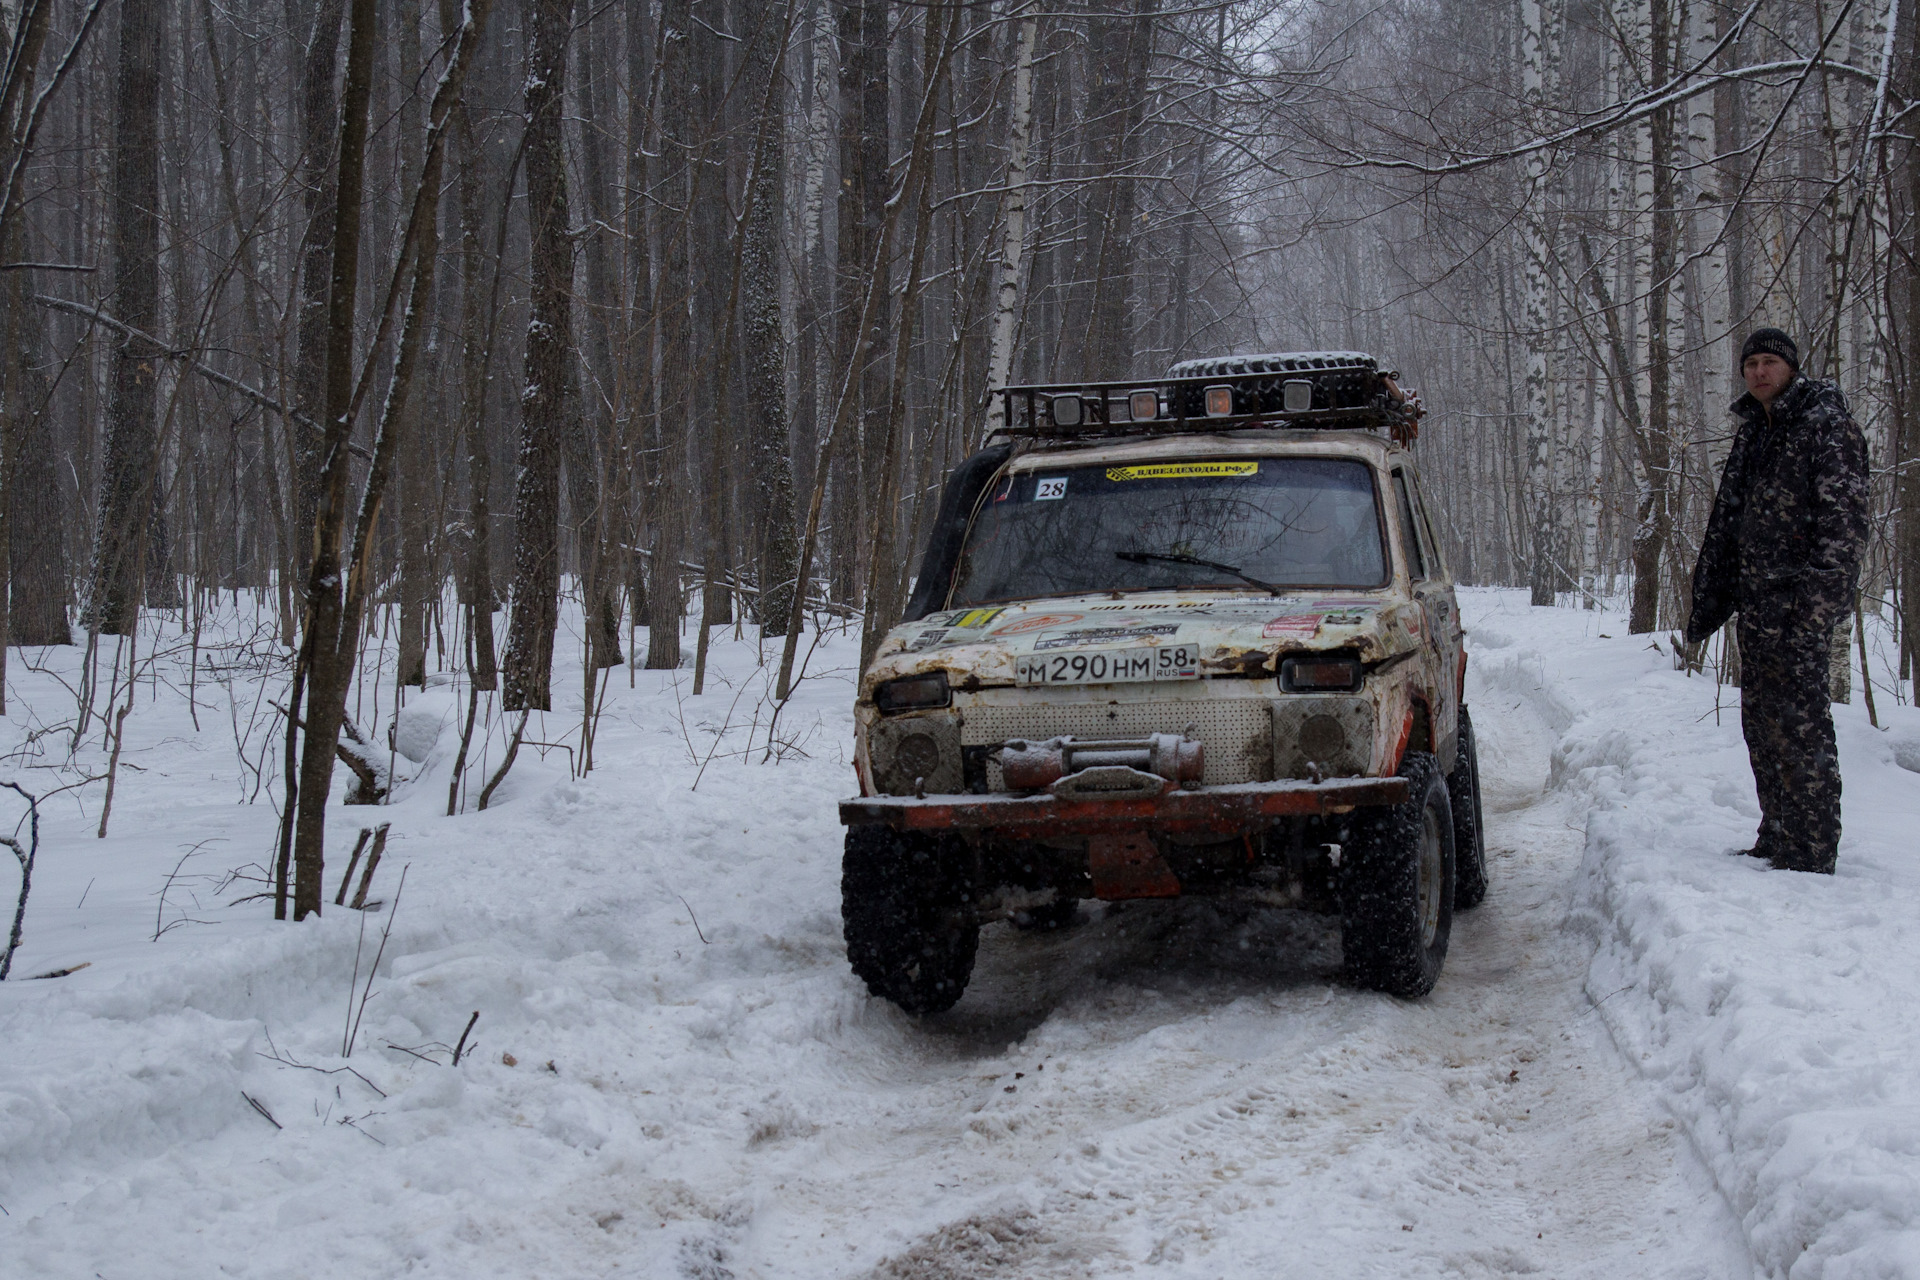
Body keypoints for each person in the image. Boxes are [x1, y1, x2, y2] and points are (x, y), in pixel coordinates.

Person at [1684, 327, 1869, 874]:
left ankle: (1811, 850)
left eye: (1770, 362)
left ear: (1791, 367)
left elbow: (1844, 530)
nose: (1759, 372)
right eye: (1751, 364)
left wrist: (1813, 612)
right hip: (1758, 609)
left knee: (1802, 730)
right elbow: (1731, 519)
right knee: (1762, 727)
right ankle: (1777, 834)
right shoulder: (1755, 433)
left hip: (1798, 612)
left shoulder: (1826, 428)